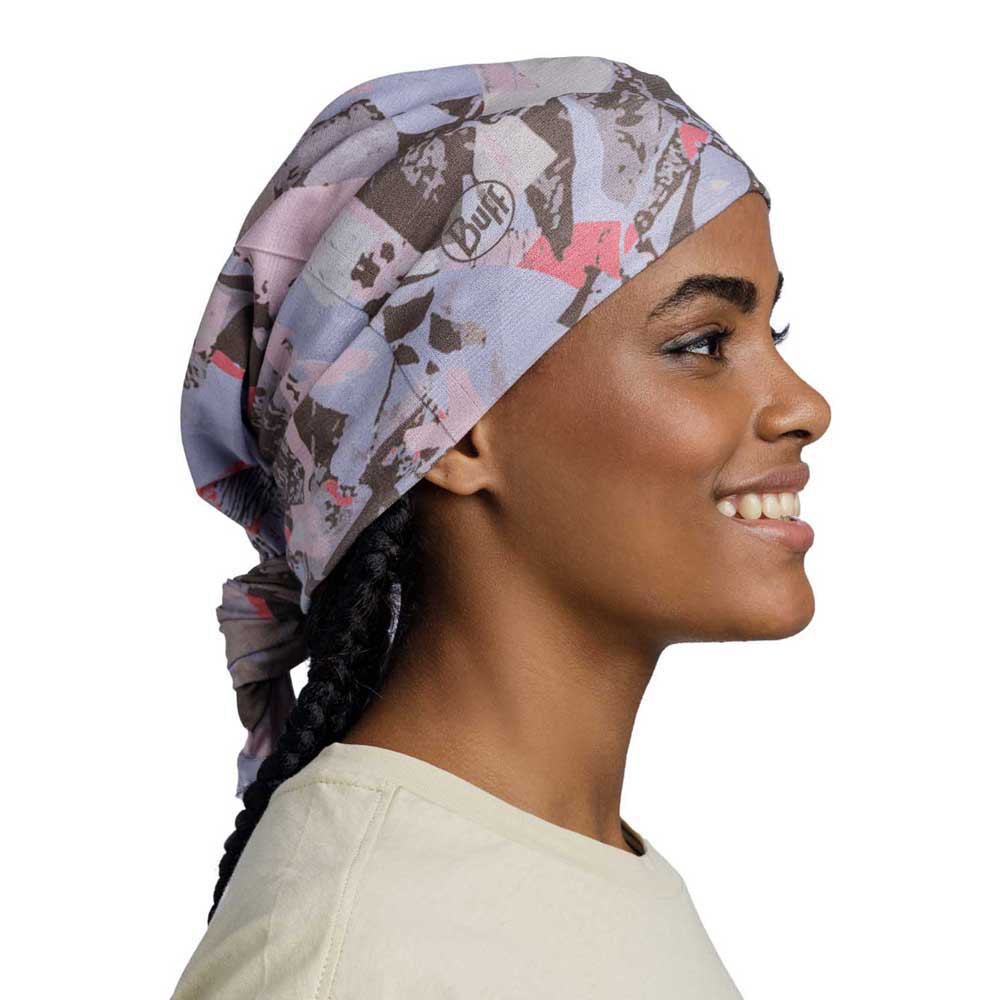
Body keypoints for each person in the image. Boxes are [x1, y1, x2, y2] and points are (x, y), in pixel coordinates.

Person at [171, 55, 831, 998]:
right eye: (702, 344)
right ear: (451, 427)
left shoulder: (562, 867)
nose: (807, 406)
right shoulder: (353, 949)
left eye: (775, 335)